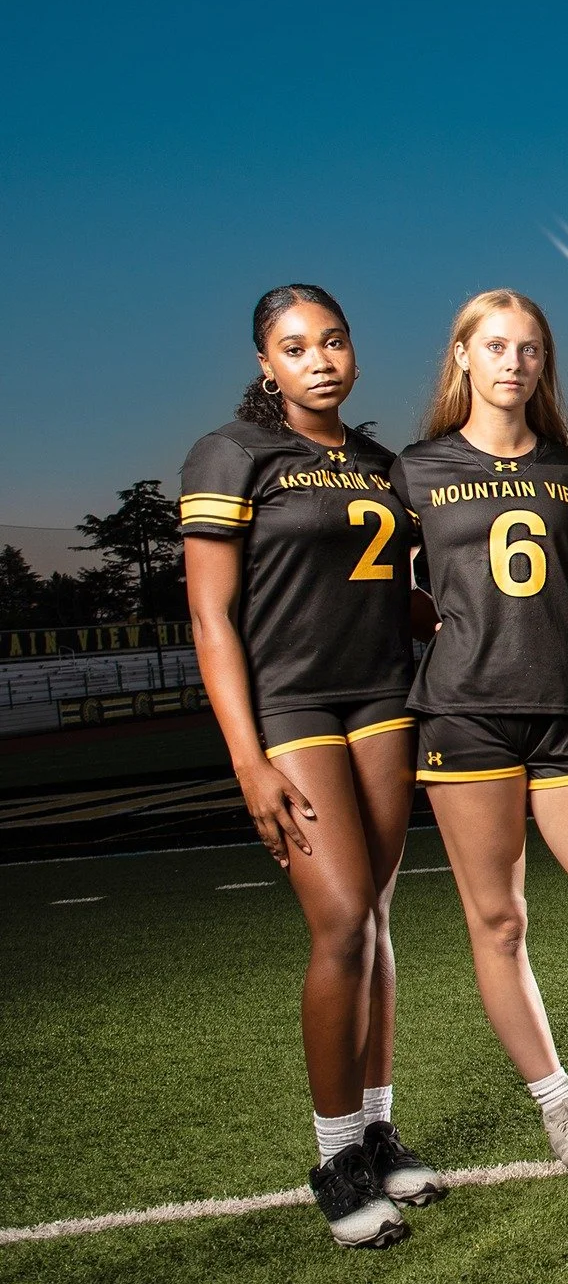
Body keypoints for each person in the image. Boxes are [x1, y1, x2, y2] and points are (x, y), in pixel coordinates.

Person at [181, 285, 444, 1248]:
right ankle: (333, 1155)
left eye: (333, 341)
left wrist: (465, 616)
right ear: (267, 364)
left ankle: (378, 1131)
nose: (320, 359)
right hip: (293, 705)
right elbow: (212, 618)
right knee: (337, 923)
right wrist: (247, 761)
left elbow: (395, 590)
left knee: (374, 920)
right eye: (296, 348)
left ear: (355, 352)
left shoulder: (382, 466)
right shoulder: (232, 455)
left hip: (383, 696)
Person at [393, 289, 568, 1172]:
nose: (515, 362)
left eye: (532, 349)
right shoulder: (415, 471)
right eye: (497, 345)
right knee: (500, 921)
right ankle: (560, 1103)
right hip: (464, 716)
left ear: (544, 365)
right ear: (463, 355)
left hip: (566, 712)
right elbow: (388, 592)